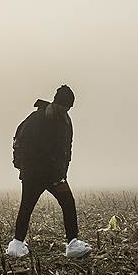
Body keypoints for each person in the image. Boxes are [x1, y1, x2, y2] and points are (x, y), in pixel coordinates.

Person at [6, 85, 91, 259]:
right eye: (65, 105)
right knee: (27, 207)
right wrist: (30, 169)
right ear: (57, 102)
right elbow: (26, 146)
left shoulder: (66, 121)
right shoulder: (37, 119)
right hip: (36, 174)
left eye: (69, 107)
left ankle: (73, 243)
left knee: (68, 203)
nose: (67, 109)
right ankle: (17, 244)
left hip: (55, 174)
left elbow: (67, 148)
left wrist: (63, 170)